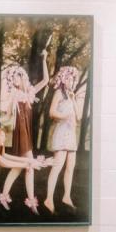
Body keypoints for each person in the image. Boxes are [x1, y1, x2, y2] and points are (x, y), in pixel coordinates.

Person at [0, 53, 49, 214]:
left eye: (16, 78)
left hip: (26, 131)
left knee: (19, 168)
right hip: (20, 133)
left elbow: (46, 80)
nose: (14, 82)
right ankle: (32, 202)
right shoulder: (15, 94)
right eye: (12, 80)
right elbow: (7, 115)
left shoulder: (30, 92)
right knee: (29, 166)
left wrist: (44, 60)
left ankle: (4, 197)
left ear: (22, 77)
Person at [44, 65, 82, 214]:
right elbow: (51, 112)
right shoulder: (59, 93)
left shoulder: (71, 95)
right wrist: (64, 116)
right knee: (57, 166)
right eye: (68, 78)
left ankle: (66, 196)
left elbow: (78, 117)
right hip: (61, 132)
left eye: (72, 79)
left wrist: (73, 100)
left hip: (71, 134)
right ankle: (48, 199)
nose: (70, 81)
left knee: (70, 166)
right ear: (63, 79)